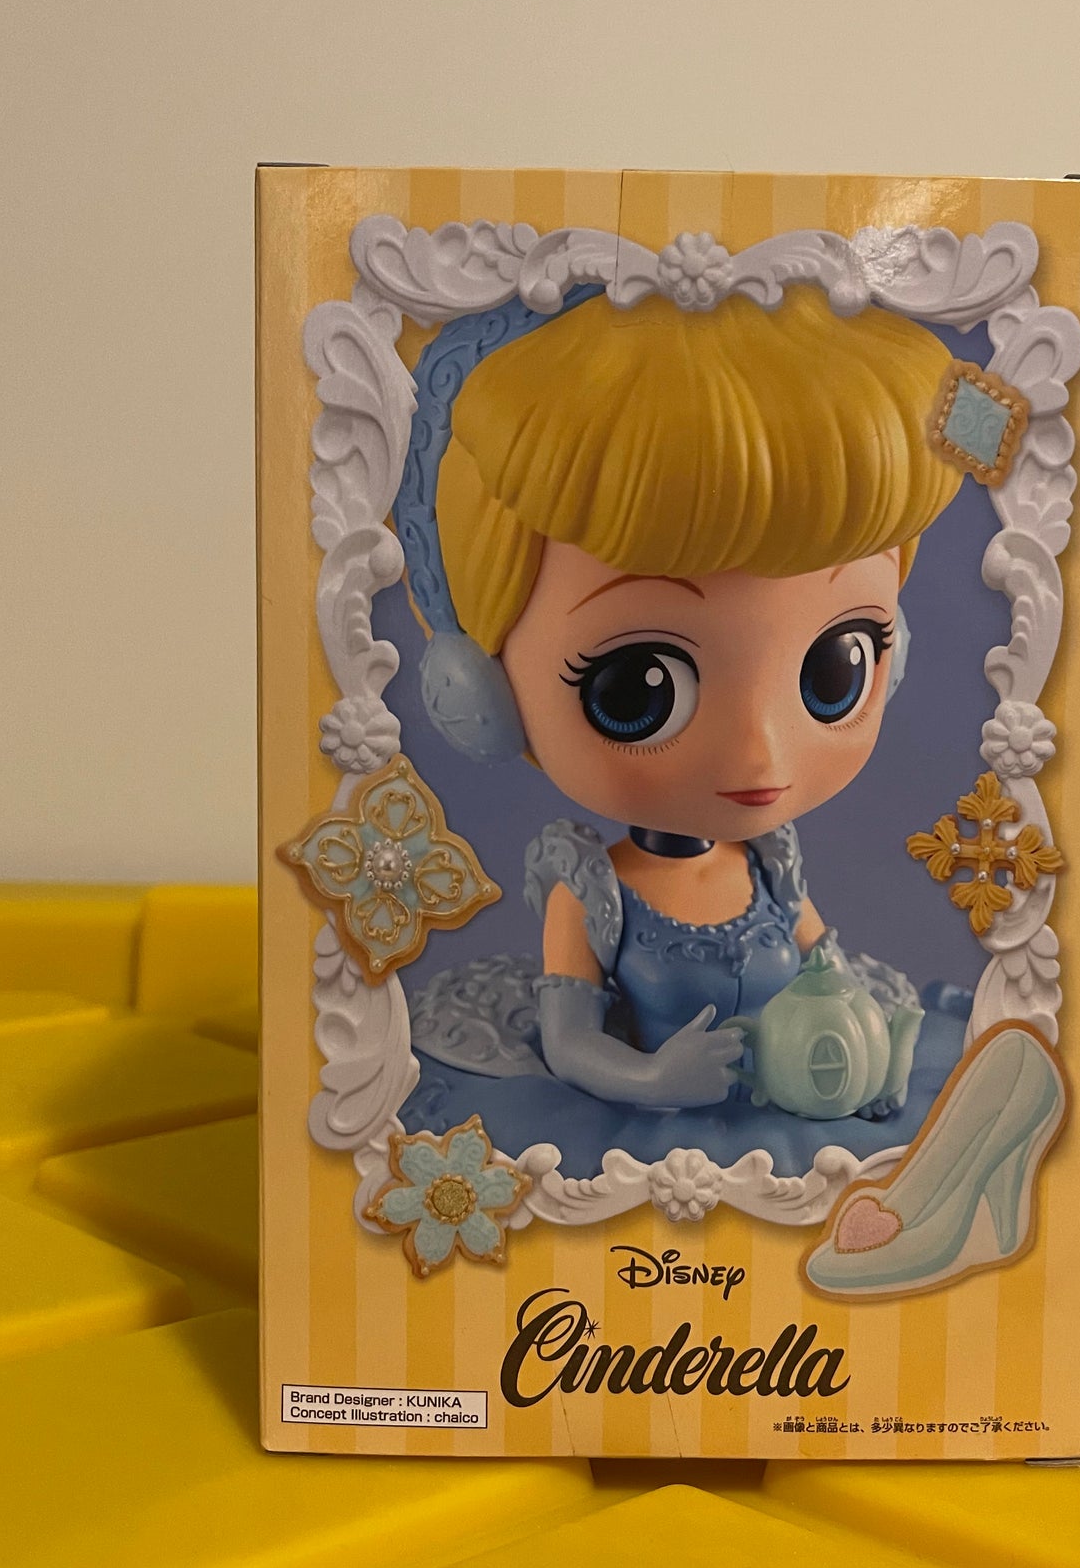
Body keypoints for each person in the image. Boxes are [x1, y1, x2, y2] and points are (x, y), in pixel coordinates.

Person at [396, 280, 976, 1179]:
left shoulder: (771, 867)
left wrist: (865, 1045)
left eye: (836, 669)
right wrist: (653, 1076)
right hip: (651, 1126)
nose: (759, 752)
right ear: (480, 693)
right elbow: (572, 1042)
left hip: (792, 1113)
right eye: (640, 687)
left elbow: (829, 970)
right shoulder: (592, 891)